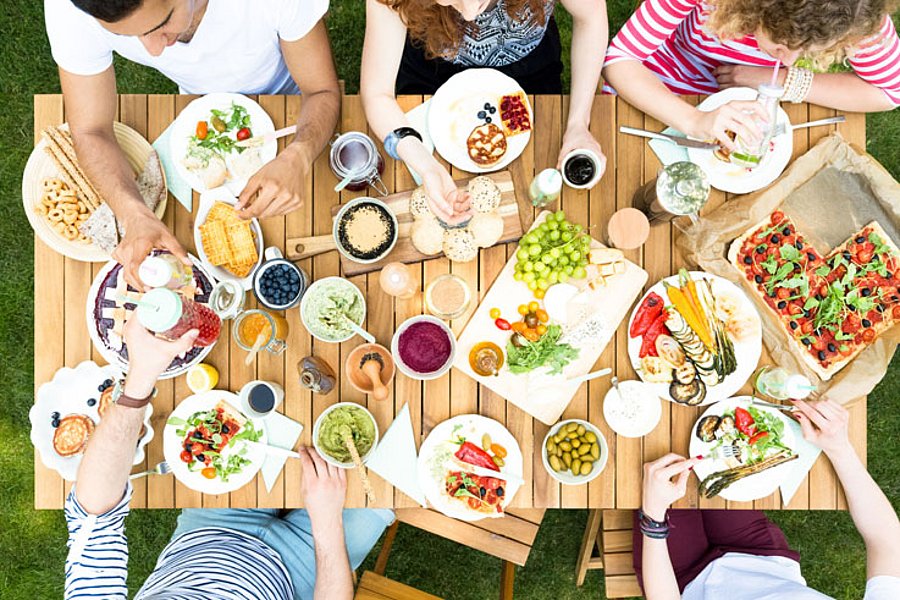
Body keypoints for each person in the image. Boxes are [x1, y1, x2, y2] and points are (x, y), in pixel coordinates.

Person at [65, 316, 393, 599]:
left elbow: (93, 515)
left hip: (209, 533)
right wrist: (326, 522)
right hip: (299, 574)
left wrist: (140, 379)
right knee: (386, 476)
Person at [44, 0, 341, 286]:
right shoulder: (70, 8)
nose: (154, 51)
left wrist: (299, 155)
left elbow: (321, 91)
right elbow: (90, 129)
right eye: (126, 37)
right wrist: (133, 215)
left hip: (289, 90)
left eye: (160, 24)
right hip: (196, 97)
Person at [361, 0, 609, 224]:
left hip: (529, 70)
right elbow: (377, 93)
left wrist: (578, 124)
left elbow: (591, 17)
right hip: (431, 69)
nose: (469, 15)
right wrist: (427, 166)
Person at [636, 398, 900, 600]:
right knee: (709, 415)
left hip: (684, 581)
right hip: (759, 556)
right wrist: (840, 447)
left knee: (654, 453)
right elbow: (888, 543)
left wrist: (654, 516)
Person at [602, 0, 900, 152]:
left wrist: (786, 80)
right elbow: (621, 60)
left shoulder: (852, 13)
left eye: (808, 51)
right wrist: (693, 120)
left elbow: (890, 92)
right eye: (781, 46)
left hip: (753, 102)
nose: (791, 60)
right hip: (665, 76)